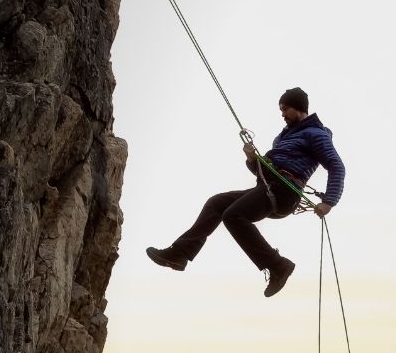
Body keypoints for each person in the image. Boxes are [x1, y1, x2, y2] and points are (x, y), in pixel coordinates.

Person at [145, 87, 347, 297]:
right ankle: (180, 254)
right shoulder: (283, 138)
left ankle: (277, 265)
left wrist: (329, 202)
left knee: (233, 215)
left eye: (285, 109)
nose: (282, 114)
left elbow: (336, 166)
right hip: (269, 187)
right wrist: (253, 159)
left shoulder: (316, 134)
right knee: (217, 203)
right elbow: (263, 172)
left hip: (285, 191)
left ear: (298, 108)